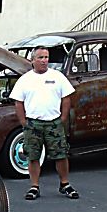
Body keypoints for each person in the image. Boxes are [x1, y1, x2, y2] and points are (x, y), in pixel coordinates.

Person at [9, 46, 79, 201]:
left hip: (53, 122)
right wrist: (23, 122)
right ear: (33, 60)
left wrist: (63, 118)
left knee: (61, 154)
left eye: (46, 57)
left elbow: (66, 98)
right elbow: (18, 102)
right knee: (33, 156)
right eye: (40, 58)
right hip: (33, 124)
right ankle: (34, 186)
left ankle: (64, 183)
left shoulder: (58, 77)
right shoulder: (25, 80)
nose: (44, 61)